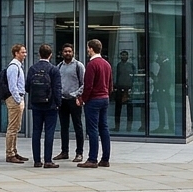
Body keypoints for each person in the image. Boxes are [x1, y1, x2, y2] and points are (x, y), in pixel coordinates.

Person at [27, 44, 63, 169]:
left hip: (36, 104)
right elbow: (57, 88)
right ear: (50, 55)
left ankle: (37, 160)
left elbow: (27, 87)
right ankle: (48, 160)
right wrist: (58, 103)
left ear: (39, 54)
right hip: (50, 105)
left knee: (36, 132)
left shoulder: (32, 69)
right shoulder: (54, 69)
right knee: (49, 132)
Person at [79, 38, 112, 169]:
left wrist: (83, 99)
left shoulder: (92, 65)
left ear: (91, 49)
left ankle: (92, 159)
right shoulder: (106, 64)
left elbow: (88, 85)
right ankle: (105, 158)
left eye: (88, 48)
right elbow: (110, 84)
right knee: (104, 128)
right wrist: (107, 93)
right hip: (105, 98)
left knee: (92, 129)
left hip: (94, 99)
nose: (87, 50)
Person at [54, 44, 86, 163]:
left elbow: (84, 83)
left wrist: (76, 94)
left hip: (74, 100)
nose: (67, 53)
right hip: (63, 100)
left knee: (78, 126)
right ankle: (64, 151)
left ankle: (79, 153)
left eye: (69, 51)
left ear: (73, 53)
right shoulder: (59, 66)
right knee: (64, 127)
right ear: (62, 53)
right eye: (65, 51)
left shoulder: (78, 66)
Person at [112, 50, 135, 132]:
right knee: (118, 109)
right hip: (119, 88)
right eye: (122, 55)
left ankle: (129, 128)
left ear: (128, 56)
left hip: (128, 89)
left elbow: (133, 77)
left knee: (130, 109)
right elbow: (117, 76)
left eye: (125, 55)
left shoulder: (131, 65)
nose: (124, 57)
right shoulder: (118, 65)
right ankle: (117, 127)